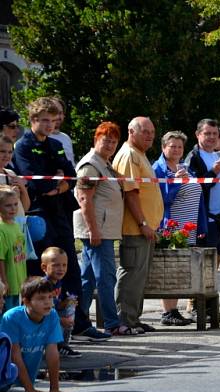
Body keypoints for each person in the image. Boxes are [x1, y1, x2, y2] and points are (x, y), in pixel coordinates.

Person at [12, 97, 107, 342]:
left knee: (70, 270)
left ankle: (77, 323)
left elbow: (71, 175)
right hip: (38, 214)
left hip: (60, 212)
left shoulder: (55, 144)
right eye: (44, 120)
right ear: (33, 120)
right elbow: (35, 181)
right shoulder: (23, 146)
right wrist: (55, 182)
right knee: (45, 270)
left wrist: (60, 182)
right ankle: (43, 325)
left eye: (53, 121)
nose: (49, 125)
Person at [74, 121, 126, 335]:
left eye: (114, 142)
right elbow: (85, 200)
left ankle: (78, 321)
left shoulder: (103, 163)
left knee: (87, 279)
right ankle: (112, 324)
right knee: (106, 277)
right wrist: (93, 230)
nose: (110, 145)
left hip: (102, 229)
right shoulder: (90, 165)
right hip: (97, 231)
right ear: (96, 140)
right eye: (106, 140)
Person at [113, 116, 164, 334]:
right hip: (134, 228)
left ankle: (133, 318)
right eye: (145, 132)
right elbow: (131, 193)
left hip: (144, 229)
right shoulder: (129, 155)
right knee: (131, 274)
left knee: (139, 276)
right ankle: (123, 320)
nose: (150, 136)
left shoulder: (140, 155)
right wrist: (143, 222)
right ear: (131, 132)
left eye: (152, 133)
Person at [153, 130, 206, 327]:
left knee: (181, 270)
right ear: (163, 147)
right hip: (171, 227)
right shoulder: (158, 169)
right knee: (170, 269)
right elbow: (162, 199)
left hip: (189, 227)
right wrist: (176, 181)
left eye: (180, 147)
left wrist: (201, 224)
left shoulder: (184, 167)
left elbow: (196, 196)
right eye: (172, 146)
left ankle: (175, 309)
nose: (176, 150)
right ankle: (168, 312)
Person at [0, 277, 66, 392]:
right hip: (5, 375)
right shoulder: (12, 317)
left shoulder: (52, 315)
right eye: (41, 298)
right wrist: (29, 389)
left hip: (27, 376)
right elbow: (15, 355)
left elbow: (52, 353)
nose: (48, 302)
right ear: (26, 302)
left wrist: (54, 388)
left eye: (50, 297)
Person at [185, 118, 220, 257]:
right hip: (207, 221)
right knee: (204, 265)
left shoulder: (217, 155)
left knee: (216, 264)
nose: (211, 137)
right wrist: (213, 172)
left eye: (215, 134)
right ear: (197, 134)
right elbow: (194, 189)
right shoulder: (193, 158)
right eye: (207, 133)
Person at [40, 246, 81, 358]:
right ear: (44, 267)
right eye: (56, 265)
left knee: (70, 308)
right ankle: (57, 345)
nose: (61, 269)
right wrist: (60, 320)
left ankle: (63, 345)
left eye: (64, 265)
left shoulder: (58, 282)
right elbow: (41, 312)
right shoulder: (43, 285)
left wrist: (67, 302)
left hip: (52, 315)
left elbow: (57, 305)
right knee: (64, 318)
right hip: (41, 320)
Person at [0, 186, 26, 312]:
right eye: (8, 205)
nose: (13, 208)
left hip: (19, 280)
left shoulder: (16, 225)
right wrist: (4, 281)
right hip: (8, 283)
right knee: (8, 314)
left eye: (15, 204)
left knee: (17, 311)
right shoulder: (1, 229)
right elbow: (1, 258)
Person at [0, 135, 30, 213]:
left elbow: (25, 207)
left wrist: (22, 188)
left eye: (10, 152)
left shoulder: (11, 174)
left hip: (19, 223)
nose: (7, 155)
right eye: (2, 151)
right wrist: (7, 193)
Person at [49, 97, 76, 165]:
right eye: (55, 112)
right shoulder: (42, 137)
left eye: (60, 113)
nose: (58, 116)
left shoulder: (66, 138)